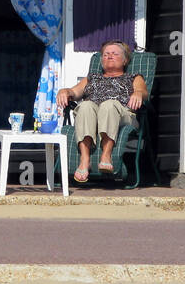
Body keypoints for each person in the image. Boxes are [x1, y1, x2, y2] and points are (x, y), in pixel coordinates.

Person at [56, 40, 146, 183]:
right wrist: (64, 91)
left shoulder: (134, 77)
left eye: (115, 54)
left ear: (125, 60)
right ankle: (85, 160)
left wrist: (138, 94)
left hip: (123, 115)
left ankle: (106, 154)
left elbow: (142, 91)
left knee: (109, 105)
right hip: (93, 115)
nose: (109, 56)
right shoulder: (92, 78)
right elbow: (73, 91)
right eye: (105, 54)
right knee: (85, 106)